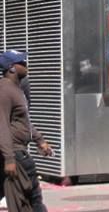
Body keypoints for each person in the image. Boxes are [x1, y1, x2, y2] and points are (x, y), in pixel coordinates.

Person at [0, 51, 52, 212]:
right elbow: (2, 125)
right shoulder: (4, 91)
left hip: (18, 152)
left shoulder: (16, 89)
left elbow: (24, 122)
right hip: (15, 154)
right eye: (21, 62)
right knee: (33, 198)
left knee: (25, 200)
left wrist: (39, 140)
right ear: (12, 68)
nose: (26, 64)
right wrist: (9, 158)